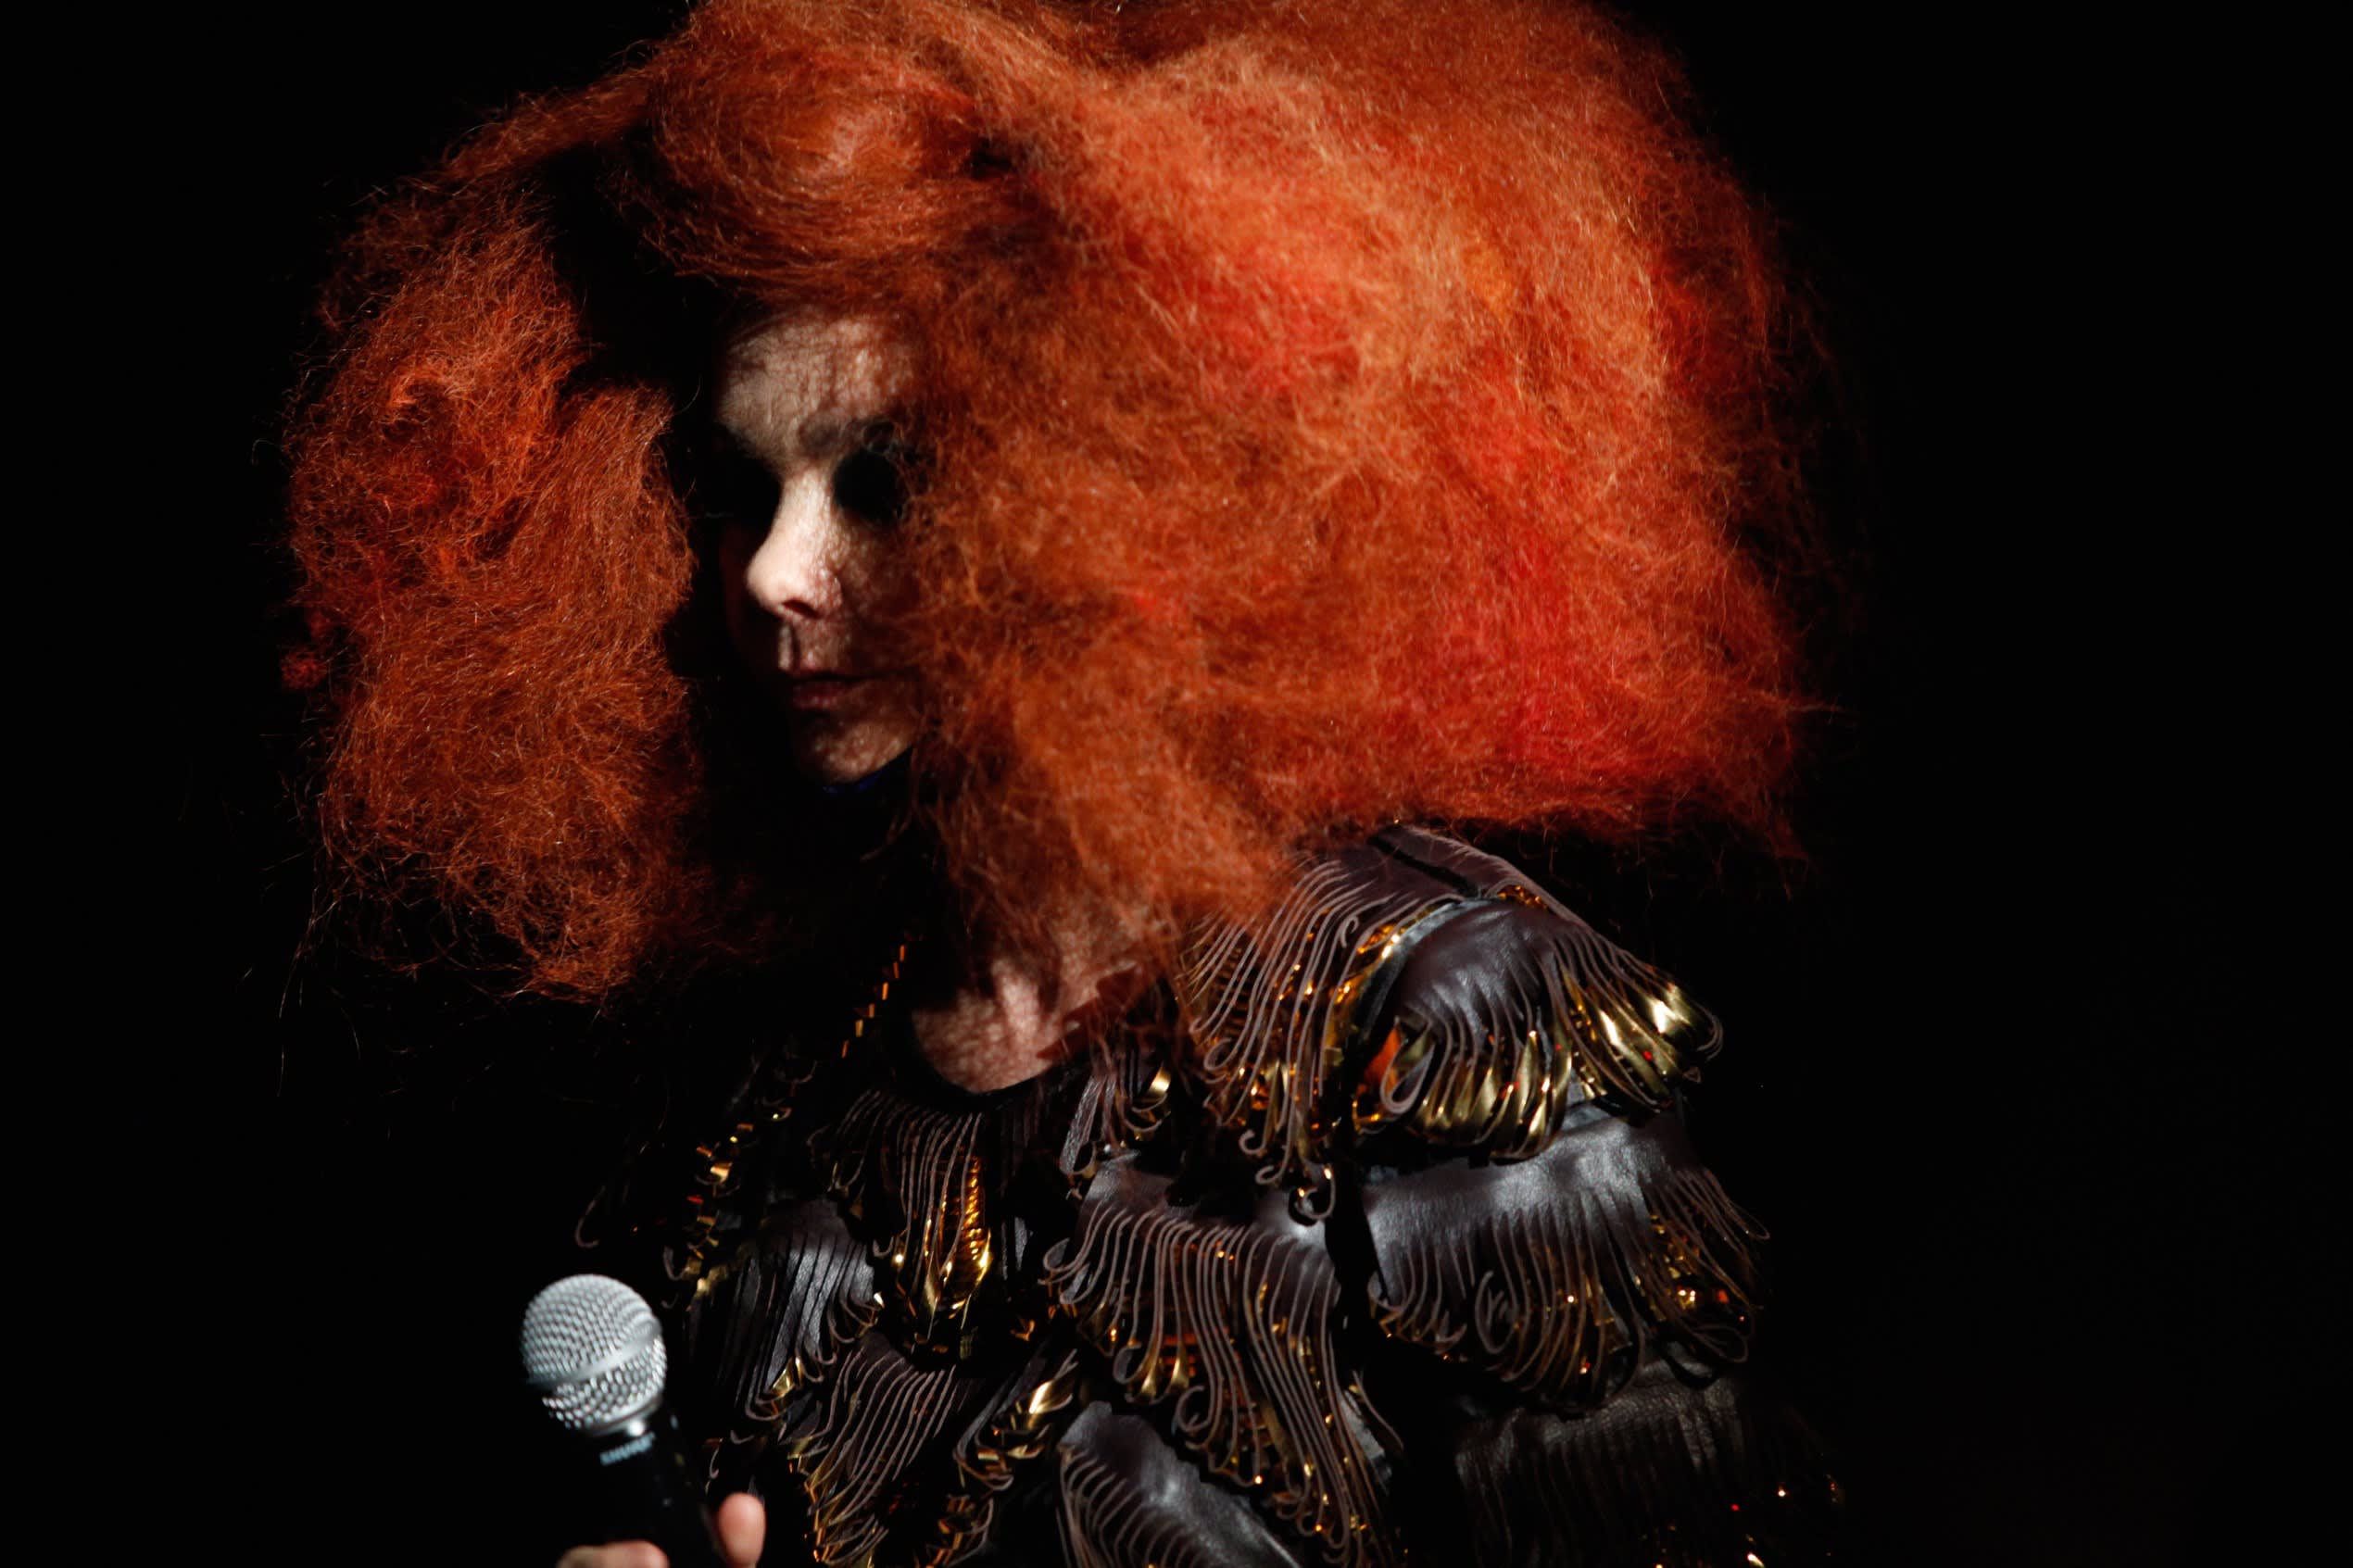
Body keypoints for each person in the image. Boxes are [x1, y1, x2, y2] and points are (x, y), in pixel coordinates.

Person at [283, 1, 1838, 1562]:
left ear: (1131, 480)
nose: (771, 572)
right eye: (740, 486)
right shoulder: (777, 1091)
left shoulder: (1451, 1015)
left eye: (886, 479)